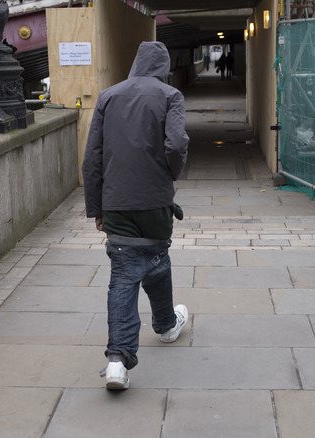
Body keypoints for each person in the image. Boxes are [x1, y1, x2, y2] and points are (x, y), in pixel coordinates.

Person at [82, 41, 190, 391]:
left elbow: (92, 159)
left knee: (126, 273)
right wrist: (170, 175)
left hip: (116, 203)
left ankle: (120, 360)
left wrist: (96, 207)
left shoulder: (108, 96)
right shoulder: (170, 95)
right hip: (154, 201)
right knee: (155, 257)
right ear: (164, 67)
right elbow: (176, 145)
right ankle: (164, 327)